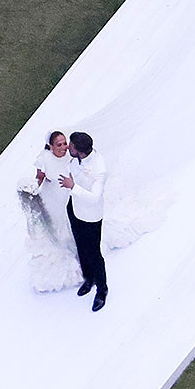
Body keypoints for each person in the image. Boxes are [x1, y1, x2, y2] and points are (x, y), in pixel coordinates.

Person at [18, 131, 82, 292]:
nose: (63, 147)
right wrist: (32, 189)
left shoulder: (72, 156)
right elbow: (39, 178)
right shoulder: (45, 160)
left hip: (71, 197)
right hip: (54, 201)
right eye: (59, 145)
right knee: (63, 229)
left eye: (64, 143)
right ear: (51, 146)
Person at [59, 132, 109, 312]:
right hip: (74, 209)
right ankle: (89, 279)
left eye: (70, 146)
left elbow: (95, 198)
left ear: (79, 151)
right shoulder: (75, 160)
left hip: (91, 217)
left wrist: (73, 187)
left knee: (94, 254)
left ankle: (102, 290)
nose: (67, 148)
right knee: (80, 247)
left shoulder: (99, 168)